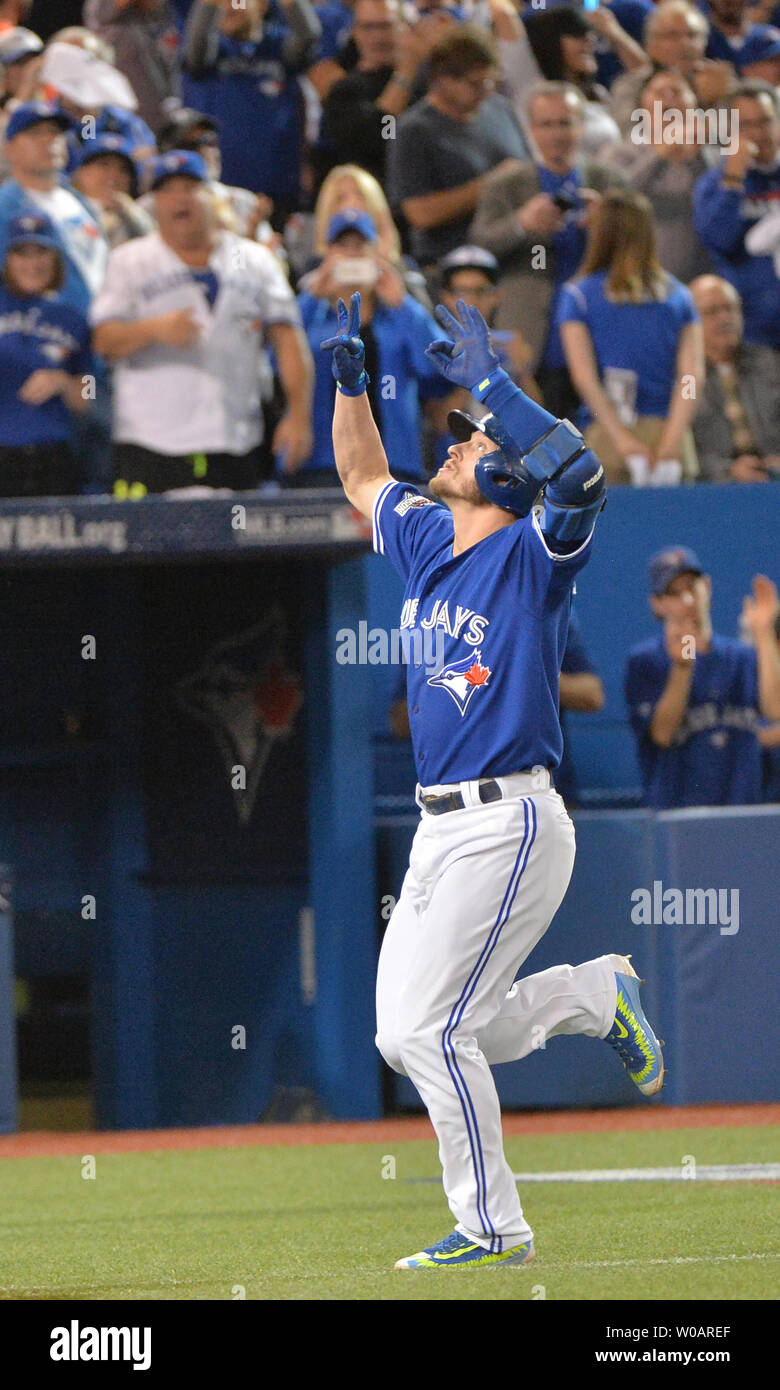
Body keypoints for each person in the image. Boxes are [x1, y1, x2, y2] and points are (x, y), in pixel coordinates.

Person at [322, 289, 666, 1270]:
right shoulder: (433, 542)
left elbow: (584, 476)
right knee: (407, 1034)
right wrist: (351, 384)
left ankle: (493, 1226)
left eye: (473, 442)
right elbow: (359, 472)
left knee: (434, 1031)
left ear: (506, 477)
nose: (457, 443)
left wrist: (494, 383)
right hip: (442, 828)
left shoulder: (530, 553)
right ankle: (592, 997)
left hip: (510, 817)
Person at [90, 150, 313, 494]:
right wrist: (153, 329)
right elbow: (104, 341)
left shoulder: (254, 259)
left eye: (191, 187)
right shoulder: (129, 261)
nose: (180, 198)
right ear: (153, 203)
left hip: (237, 441)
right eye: (167, 189)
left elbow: (288, 340)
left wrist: (299, 416)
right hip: (150, 444)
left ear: (214, 197)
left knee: (239, 544)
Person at [471, 81, 624, 420]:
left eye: (565, 122)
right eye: (546, 124)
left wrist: (607, 226)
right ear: (531, 129)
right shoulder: (506, 185)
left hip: (600, 333)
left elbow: (640, 248)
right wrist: (522, 224)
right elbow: (479, 247)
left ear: (582, 126)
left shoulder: (609, 182)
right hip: (532, 340)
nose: (557, 134)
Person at [557, 189, 704, 485]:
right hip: (670, 432)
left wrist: (622, 441)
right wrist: (673, 440)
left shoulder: (579, 296)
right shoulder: (679, 297)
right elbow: (690, 378)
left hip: (608, 435)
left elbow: (585, 379)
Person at [296, 207, 452, 484]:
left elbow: (442, 368)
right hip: (322, 462)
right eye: (343, 246)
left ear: (377, 254)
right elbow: (276, 361)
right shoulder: (312, 316)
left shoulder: (399, 316)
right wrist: (312, 296)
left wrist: (403, 304)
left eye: (361, 246)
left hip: (395, 462)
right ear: (328, 255)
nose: (352, 254)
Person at [625, 548, 780, 807]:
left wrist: (764, 635)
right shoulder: (646, 660)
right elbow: (663, 735)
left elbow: (775, 708)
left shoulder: (742, 656)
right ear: (657, 604)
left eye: (692, 586)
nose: (687, 599)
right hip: (677, 822)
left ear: (706, 587)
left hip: (744, 815)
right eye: (673, 593)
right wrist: (683, 666)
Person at [386, 25, 528, 266]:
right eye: (475, 84)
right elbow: (419, 214)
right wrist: (490, 185)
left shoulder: (500, 109)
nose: (485, 93)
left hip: (513, 255)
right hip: (450, 265)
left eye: (490, 83)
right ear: (442, 79)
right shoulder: (414, 130)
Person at [181, 0, 321, 220]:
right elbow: (198, 44)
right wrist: (210, 6)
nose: (230, 6)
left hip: (276, 186)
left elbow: (308, 37)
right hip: (218, 188)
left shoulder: (277, 46)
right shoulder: (212, 52)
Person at [0, 210, 92, 497]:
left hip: (54, 459)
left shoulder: (74, 318)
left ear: (56, 258)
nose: (33, 263)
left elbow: (91, 395)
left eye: (42, 252)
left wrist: (64, 382)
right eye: (22, 253)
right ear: (7, 259)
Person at [320, 0, 448, 184]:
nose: (378, 37)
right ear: (355, 32)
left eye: (386, 26)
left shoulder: (426, 83)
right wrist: (405, 73)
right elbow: (385, 136)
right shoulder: (345, 92)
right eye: (368, 27)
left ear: (405, 28)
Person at [694, 81, 780, 349]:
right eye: (745, 126)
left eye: (765, 122)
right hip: (753, 332)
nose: (757, 133)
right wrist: (733, 178)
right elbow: (718, 241)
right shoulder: (714, 183)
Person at [0, 100, 108, 313]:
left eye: (55, 132)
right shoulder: (5, 207)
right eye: (35, 133)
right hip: (41, 334)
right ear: (9, 149)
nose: (49, 140)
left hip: (97, 330)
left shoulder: (78, 200)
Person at [609, 70, 716, 285]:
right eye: (658, 92)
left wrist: (701, 155)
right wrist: (659, 154)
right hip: (643, 273)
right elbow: (616, 199)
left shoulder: (713, 153)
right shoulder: (621, 152)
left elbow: (717, 203)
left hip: (704, 272)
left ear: (693, 104)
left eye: (677, 91)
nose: (668, 97)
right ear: (642, 106)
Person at [689, 273, 780, 480]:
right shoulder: (686, 379)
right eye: (712, 312)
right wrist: (727, 470)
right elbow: (683, 444)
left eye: (730, 309)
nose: (724, 318)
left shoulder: (771, 365)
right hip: (717, 488)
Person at [609, 1, 735, 139]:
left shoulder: (718, 81)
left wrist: (721, 99)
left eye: (693, 35)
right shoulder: (631, 86)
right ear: (650, 45)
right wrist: (702, 102)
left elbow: (736, 138)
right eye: (672, 35)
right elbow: (632, 137)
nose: (685, 44)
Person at [83, 0, 182, 136]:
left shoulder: (161, 18)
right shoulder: (102, 12)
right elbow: (104, 15)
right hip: (120, 121)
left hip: (162, 113)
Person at [71, 132, 153, 248]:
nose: (113, 175)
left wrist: (130, 211)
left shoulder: (133, 213)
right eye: (104, 165)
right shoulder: (64, 205)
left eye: (123, 169)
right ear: (81, 171)